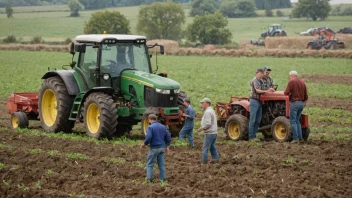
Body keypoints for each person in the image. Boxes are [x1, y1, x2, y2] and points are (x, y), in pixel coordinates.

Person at [140, 114, 171, 182]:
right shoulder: (163, 127)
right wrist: (167, 146)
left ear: (150, 119)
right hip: (162, 148)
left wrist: (144, 144)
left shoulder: (150, 127)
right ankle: (163, 179)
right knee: (161, 165)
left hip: (154, 148)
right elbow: (168, 137)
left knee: (149, 164)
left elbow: (148, 137)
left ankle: (149, 179)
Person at [248, 69, 275, 142]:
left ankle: (254, 135)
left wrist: (270, 89)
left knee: (258, 119)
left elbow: (264, 88)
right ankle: (251, 136)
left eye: (262, 73)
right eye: (261, 73)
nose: (262, 74)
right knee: (252, 119)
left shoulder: (261, 80)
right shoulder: (255, 80)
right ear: (257, 73)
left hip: (259, 101)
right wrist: (267, 91)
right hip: (254, 101)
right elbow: (257, 90)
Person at [284, 71, 308, 144]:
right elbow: (306, 96)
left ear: (291, 75)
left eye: (289, 76)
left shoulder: (291, 81)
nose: (289, 77)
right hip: (301, 103)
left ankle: (295, 138)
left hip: (294, 103)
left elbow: (286, 92)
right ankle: (300, 138)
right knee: (297, 121)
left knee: (293, 121)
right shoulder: (302, 82)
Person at [197, 98, 219, 164]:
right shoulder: (211, 110)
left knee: (205, 148)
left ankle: (204, 163)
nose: (201, 105)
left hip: (209, 133)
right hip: (214, 132)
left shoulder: (207, 112)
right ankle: (216, 160)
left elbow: (208, 123)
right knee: (212, 147)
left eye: (202, 103)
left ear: (206, 103)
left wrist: (201, 128)